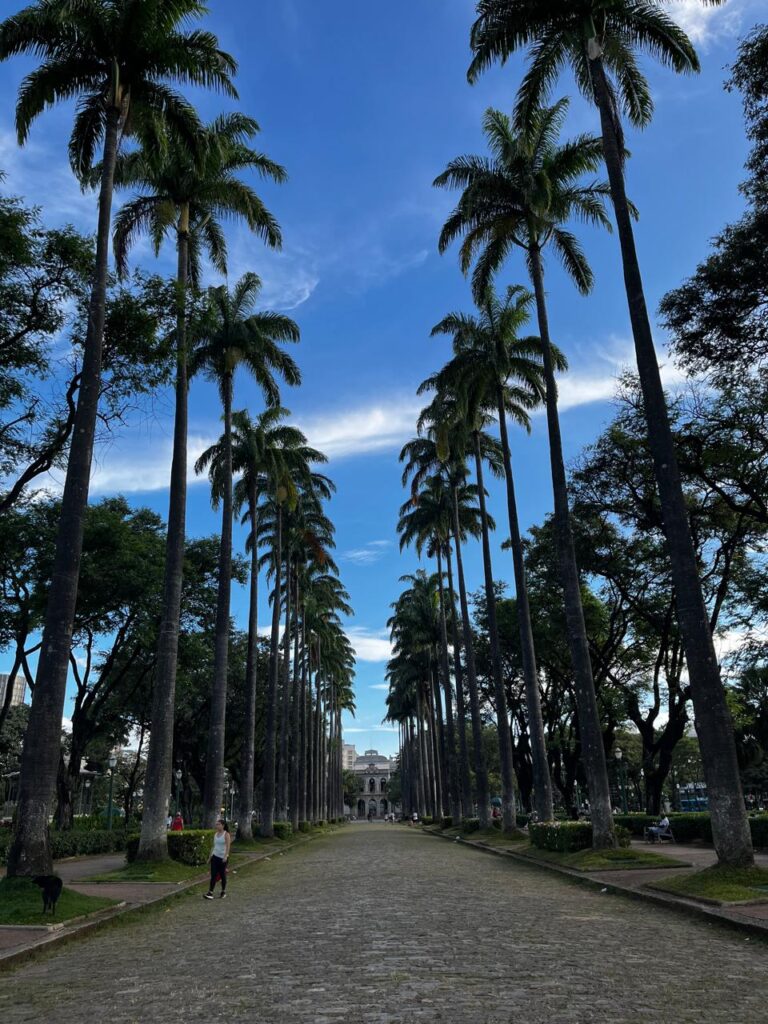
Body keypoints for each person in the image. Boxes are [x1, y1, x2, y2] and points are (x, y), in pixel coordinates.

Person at [204, 819, 231, 900]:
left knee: (222, 875)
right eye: (216, 824)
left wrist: (225, 856)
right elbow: (214, 846)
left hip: (222, 858)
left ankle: (223, 891)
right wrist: (209, 858)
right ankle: (210, 893)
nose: (217, 826)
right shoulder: (215, 834)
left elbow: (228, 846)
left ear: (223, 825)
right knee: (213, 875)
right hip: (215, 857)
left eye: (218, 824)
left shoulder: (226, 834)